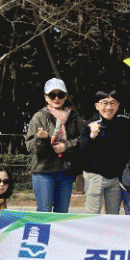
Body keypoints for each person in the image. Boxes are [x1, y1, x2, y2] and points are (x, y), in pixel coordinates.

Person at [25, 78, 83, 213]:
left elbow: (83, 140)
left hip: (66, 171)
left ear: (66, 96)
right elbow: (30, 147)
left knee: (62, 212)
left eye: (60, 95)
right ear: (46, 97)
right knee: (44, 211)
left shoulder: (74, 116)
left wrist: (66, 146)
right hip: (43, 171)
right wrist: (41, 139)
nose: (56, 98)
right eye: (52, 95)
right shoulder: (39, 117)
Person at [80, 90, 130, 215]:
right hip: (95, 175)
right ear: (97, 105)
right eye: (104, 103)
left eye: (112, 103)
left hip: (116, 177)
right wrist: (92, 136)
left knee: (113, 214)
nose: (109, 107)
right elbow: (82, 152)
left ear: (118, 105)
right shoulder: (89, 125)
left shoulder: (126, 123)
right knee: (92, 214)